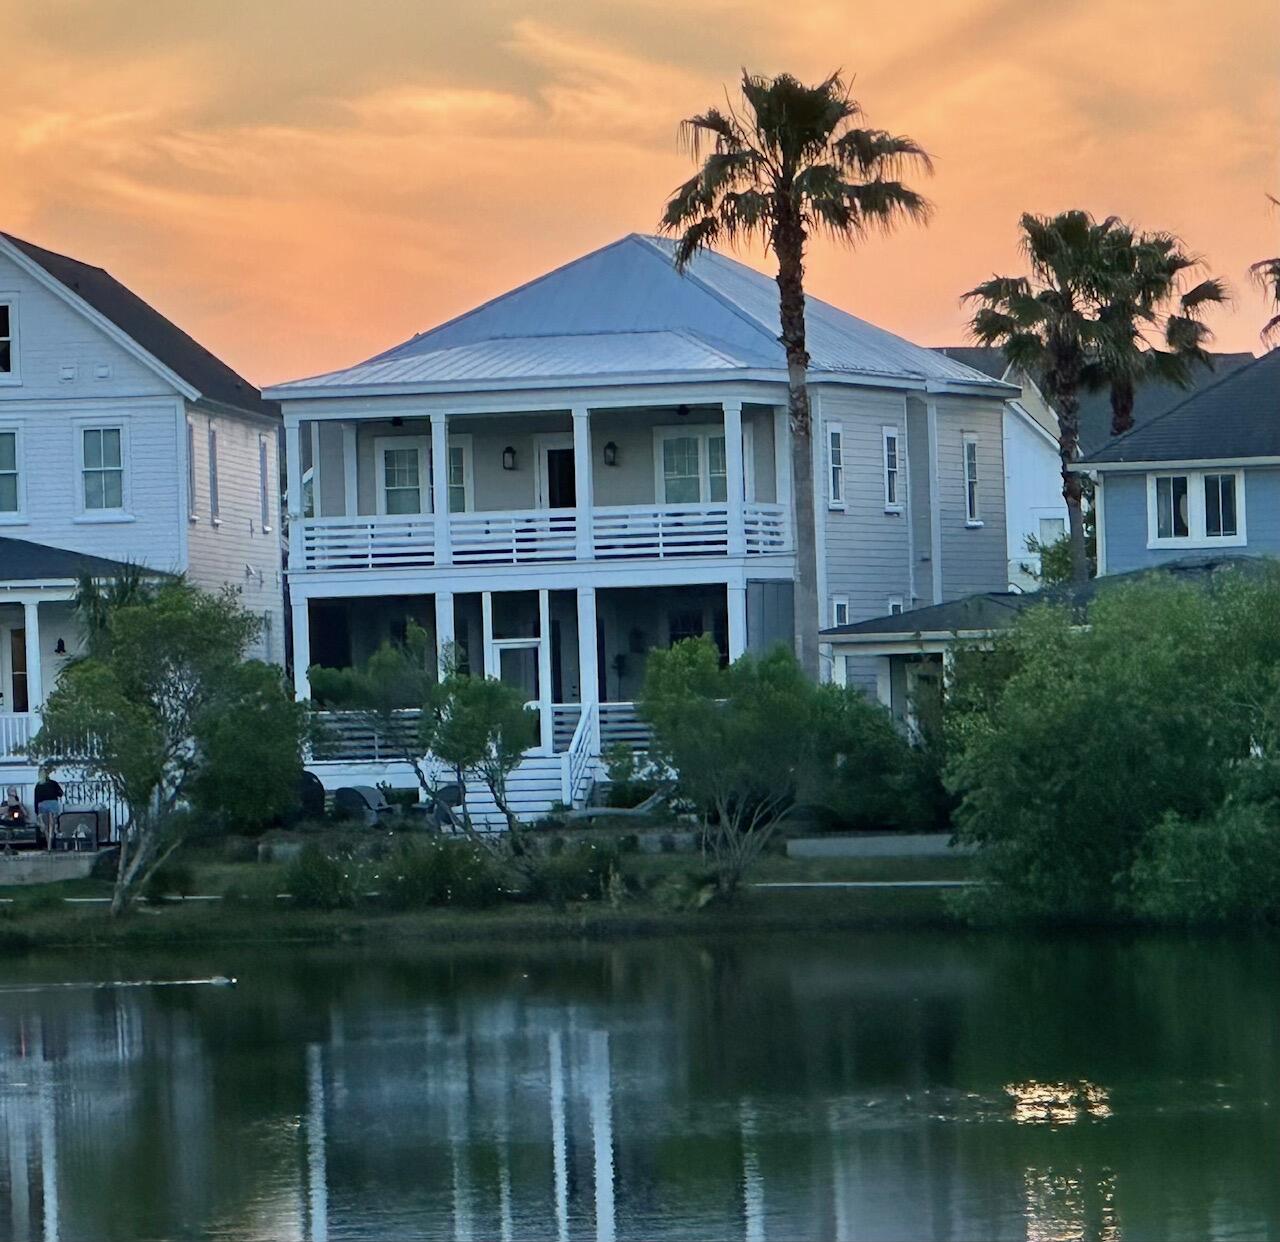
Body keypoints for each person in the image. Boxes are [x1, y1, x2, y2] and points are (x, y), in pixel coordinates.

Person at [33, 768, 63, 851]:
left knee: (45, 827)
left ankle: (48, 846)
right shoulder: (53, 783)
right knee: (51, 826)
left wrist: (37, 812)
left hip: (42, 805)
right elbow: (60, 793)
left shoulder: (38, 785)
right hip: (53, 804)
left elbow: (36, 799)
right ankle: (50, 845)